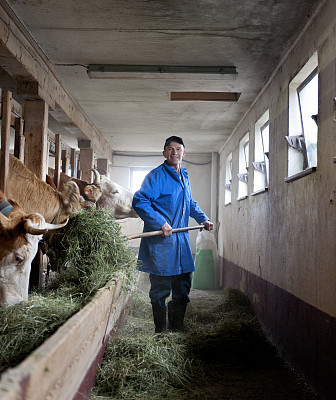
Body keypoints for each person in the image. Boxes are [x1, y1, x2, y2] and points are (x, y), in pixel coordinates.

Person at [132, 135, 214, 333]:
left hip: (181, 241)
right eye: (170, 149)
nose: (174, 152)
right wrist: (161, 222)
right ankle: (160, 331)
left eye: (178, 149)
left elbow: (189, 203)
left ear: (184, 153)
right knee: (160, 289)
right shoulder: (156, 176)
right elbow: (139, 201)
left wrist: (202, 218)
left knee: (183, 285)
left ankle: (177, 326)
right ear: (164, 153)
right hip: (162, 241)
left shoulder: (184, 176)